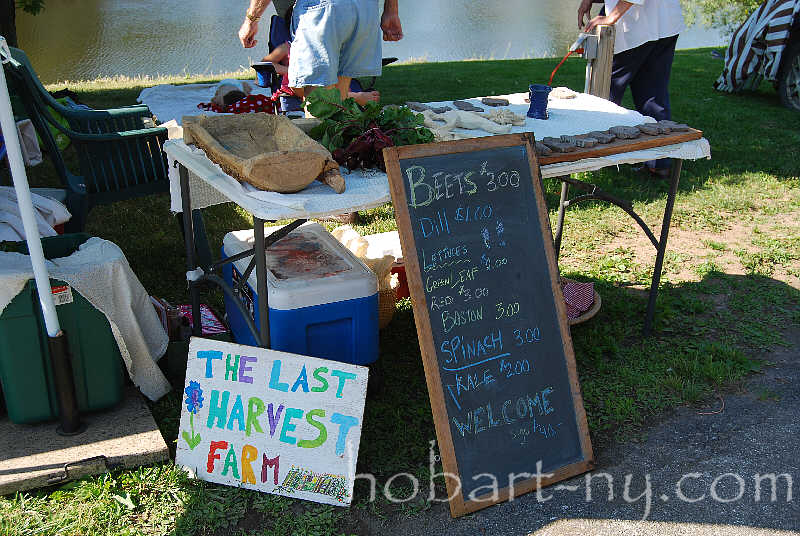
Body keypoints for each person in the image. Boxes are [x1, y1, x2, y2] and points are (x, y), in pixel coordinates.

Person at [578, 0, 685, 177]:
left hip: (636, 27)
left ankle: (597, 159)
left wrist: (611, 17)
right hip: (664, 22)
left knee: (604, 95)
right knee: (652, 95)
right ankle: (658, 164)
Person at [239, 0, 402, 102]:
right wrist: (391, 10)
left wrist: (251, 19)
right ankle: (338, 155)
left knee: (319, 105)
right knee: (339, 98)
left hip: (323, 10)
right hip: (365, 9)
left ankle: (320, 157)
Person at [261, 41, 381, 106]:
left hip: (328, 79)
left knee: (333, 81)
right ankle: (354, 97)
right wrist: (289, 70)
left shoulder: (328, 45)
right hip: (298, 82)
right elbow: (265, 64)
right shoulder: (288, 47)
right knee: (305, 82)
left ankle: (348, 97)